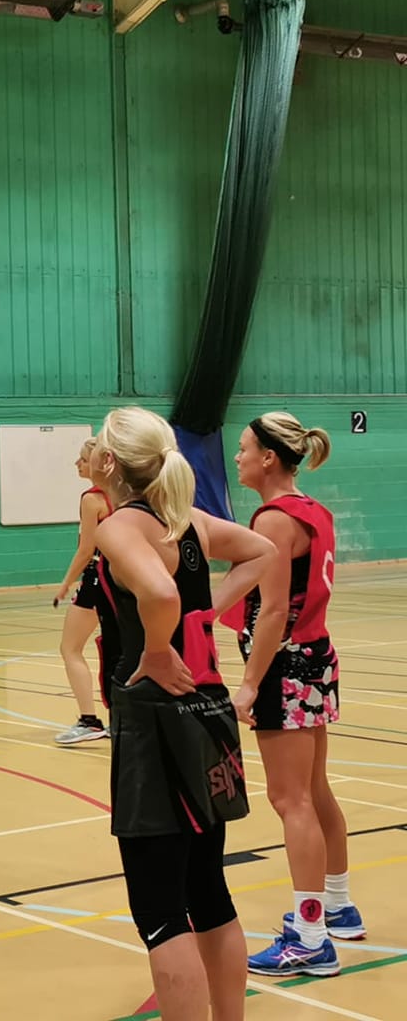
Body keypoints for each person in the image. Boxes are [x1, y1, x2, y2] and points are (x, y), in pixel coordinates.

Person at [90, 407, 275, 1021]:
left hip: (157, 719)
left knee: (161, 913)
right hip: (210, 709)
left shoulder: (122, 527)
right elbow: (261, 552)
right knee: (209, 893)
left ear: (110, 463)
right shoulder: (187, 521)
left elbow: (162, 593)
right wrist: (207, 614)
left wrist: (159, 644)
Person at [229, 413, 363, 977]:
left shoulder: (274, 519)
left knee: (291, 801)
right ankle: (338, 905)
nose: (237, 458)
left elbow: (276, 610)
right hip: (316, 660)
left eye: (243, 449)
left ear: (267, 458)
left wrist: (249, 683)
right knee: (313, 790)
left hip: (284, 667)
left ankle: (309, 937)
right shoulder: (313, 511)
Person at [52, 439, 112, 745]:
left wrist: (65, 584)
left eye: (83, 459)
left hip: (97, 578)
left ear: (99, 465)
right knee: (121, 648)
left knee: (70, 647)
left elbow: (87, 549)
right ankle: (122, 719)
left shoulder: (92, 499)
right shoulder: (126, 494)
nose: (78, 464)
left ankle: (89, 720)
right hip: (125, 579)